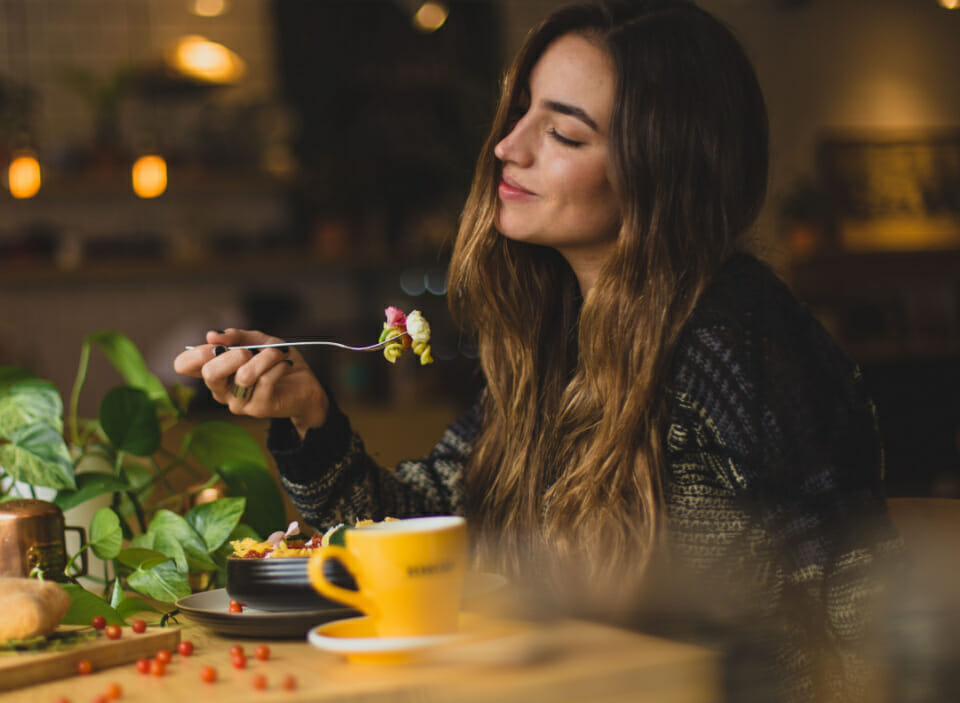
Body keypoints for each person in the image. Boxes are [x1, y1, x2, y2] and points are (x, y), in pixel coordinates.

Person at [175, 1, 901, 700]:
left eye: (565, 134)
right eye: (522, 110)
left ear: (661, 172)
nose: (506, 145)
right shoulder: (563, 339)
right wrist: (308, 414)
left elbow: (854, 593)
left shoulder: (734, 339)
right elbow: (427, 526)